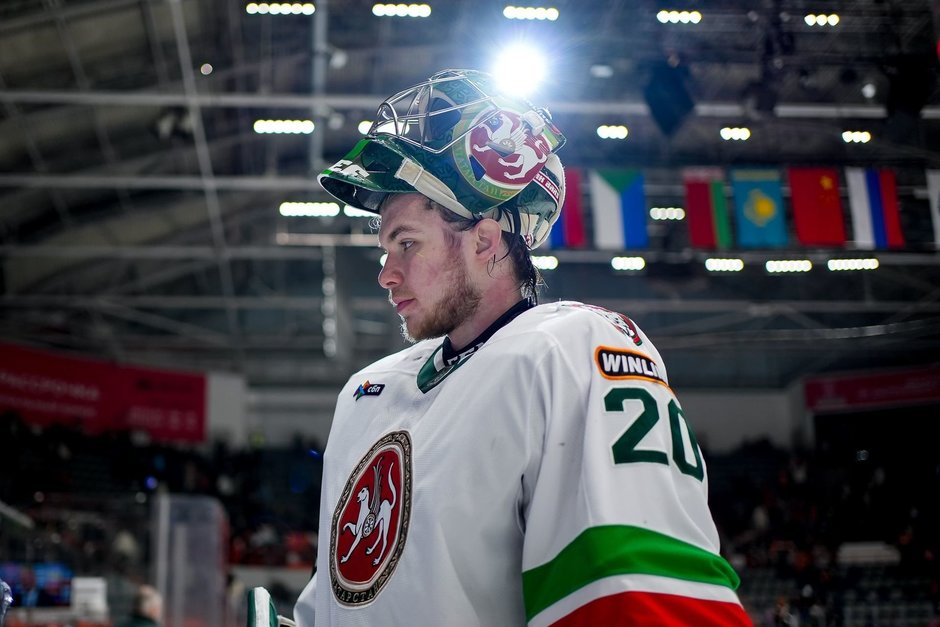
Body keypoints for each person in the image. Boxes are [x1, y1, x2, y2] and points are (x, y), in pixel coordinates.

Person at [254, 69, 750, 625]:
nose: (386, 274)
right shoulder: (364, 394)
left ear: (486, 241)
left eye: (407, 244)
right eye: (385, 250)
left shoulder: (567, 350)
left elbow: (637, 594)